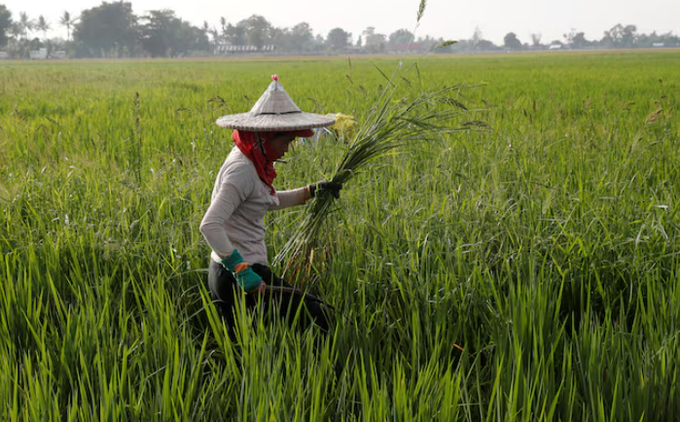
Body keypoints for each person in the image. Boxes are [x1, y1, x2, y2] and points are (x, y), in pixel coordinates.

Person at [200, 75, 341, 339]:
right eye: (285, 142)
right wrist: (241, 270)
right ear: (265, 137)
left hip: (229, 271)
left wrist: (311, 191)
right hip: (239, 274)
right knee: (315, 318)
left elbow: (264, 201)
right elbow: (209, 225)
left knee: (247, 346)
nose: (288, 150)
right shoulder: (242, 170)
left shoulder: (252, 159)